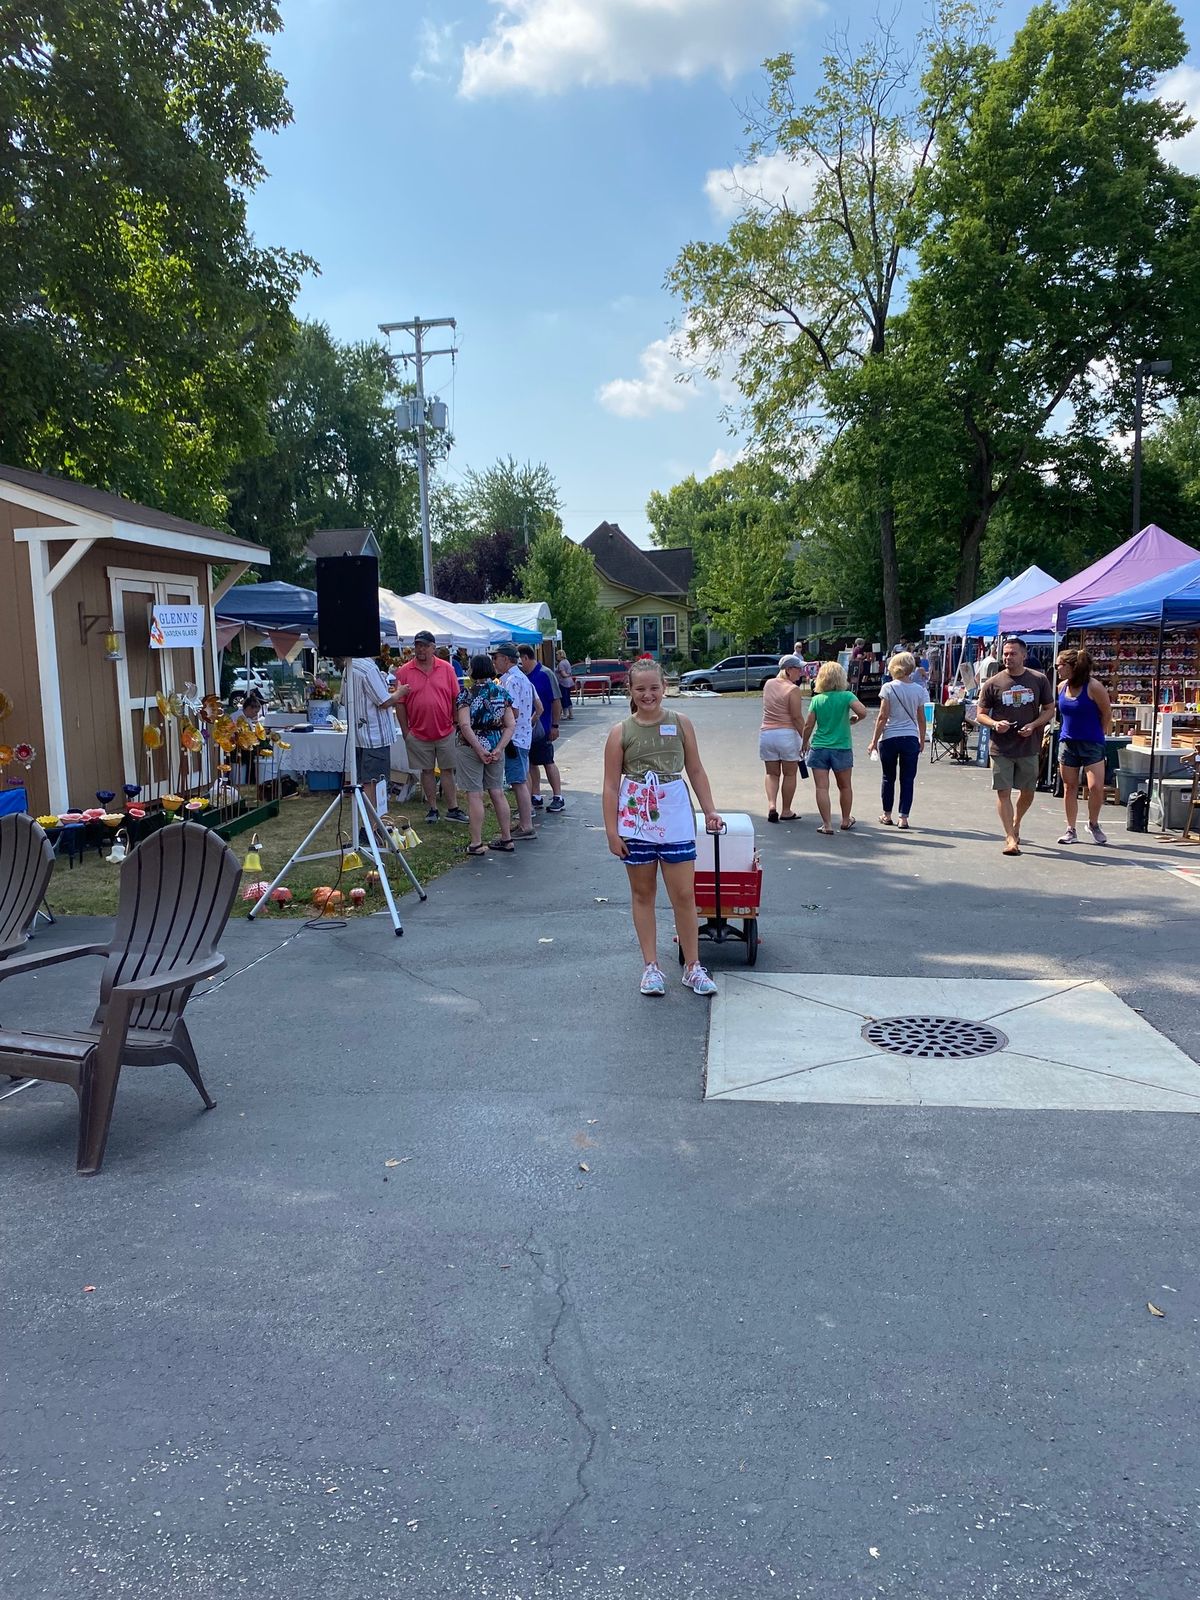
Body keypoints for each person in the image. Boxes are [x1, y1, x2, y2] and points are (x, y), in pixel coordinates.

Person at [602, 659, 722, 998]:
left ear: (664, 687)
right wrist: (612, 831)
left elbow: (695, 770)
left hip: (675, 816)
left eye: (654, 687)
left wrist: (710, 809)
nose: (648, 694)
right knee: (643, 894)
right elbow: (611, 785)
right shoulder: (620, 732)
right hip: (637, 819)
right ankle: (651, 967)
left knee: (684, 894)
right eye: (640, 688)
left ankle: (692, 967)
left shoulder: (681, 723)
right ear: (630, 690)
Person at [975, 636, 1055, 856]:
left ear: (1024, 655)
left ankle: (1016, 822)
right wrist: (994, 723)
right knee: (1003, 791)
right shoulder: (993, 683)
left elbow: (1049, 709)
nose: (1008, 657)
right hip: (1001, 747)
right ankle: (1010, 838)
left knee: (1028, 792)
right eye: (1005, 654)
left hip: (1028, 745)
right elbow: (980, 715)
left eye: (1013, 653)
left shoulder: (1038, 680)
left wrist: (1034, 725)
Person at [395, 629, 467, 825]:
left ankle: (453, 808)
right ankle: (432, 808)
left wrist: (455, 722)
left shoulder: (447, 669)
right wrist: (405, 731)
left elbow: (455, 697)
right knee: (426, 771)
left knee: (447, 769)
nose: (421, 649)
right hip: (418, 732)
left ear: (433, 648)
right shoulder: (404, 671)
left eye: (425, 646)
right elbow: (399, 704)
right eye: (418, 645)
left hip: (445, 729)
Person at [454, 655, 516, 855]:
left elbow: (464, 724)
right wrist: (499, 748)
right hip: (496, 743)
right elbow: (510, 724)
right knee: (497, 791)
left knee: (474, 793)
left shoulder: (466, 695)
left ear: (472, 670)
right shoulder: (501, 693)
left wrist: (479, 749)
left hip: (470, 746)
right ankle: (507, 838)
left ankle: (476, 843)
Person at [337, 655, 408, 822]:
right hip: (375, 737)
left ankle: (368, 825)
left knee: (365, 782)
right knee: (375, 784)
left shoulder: (350, 665)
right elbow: (384, 701)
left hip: (359, 736)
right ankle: (374, 827)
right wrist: (400, 692)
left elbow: (342, 700)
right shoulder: (368, 669)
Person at [1055, 646, 1113, 845]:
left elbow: (1106, 712)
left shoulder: (1093, 686)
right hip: (1068, 742)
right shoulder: (1061, 687)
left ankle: (1093, 823)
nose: (1057, 669)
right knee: (1069, 787)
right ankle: (1070, 829)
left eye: (1059, 665)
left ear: (1072, 666)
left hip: (1092, 743)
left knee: (1095, 787)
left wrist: (1100, 733)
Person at [802, 662, 868, 833]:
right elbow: (863, 712)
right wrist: (854, 719)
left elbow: (808, 725)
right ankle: (846, 820)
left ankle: (827, 824)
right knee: (845, 786)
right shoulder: (847, 696)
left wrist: (804, 743)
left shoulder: (817, 699)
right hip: (842, 746)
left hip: (820, 747)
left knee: (821, 787)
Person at [866, 652, 928, 828]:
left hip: (890, 736)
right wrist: (921, 739)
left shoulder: (888, 688)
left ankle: (886, 814)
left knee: (888, 777)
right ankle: (904, 817)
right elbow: (921, 718)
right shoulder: (919, 690)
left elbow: (882, 716)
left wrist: (874, 740)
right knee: (908, 779)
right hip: (910, 737)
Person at [492, 641, 542, 842]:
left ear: (505, 659)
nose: (494, 663)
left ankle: (526, 825)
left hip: (512, 738)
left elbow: (513, 710)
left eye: (496, 658)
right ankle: (525, 821)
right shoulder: (523, 678)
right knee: (520, 778)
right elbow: (537, 706)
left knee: (518, 781)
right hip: (522, 735)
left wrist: (497, 721)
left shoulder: (511, 680)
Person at [759, 655, 808, 823]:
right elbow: (796, 717)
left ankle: (772, 805)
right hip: (787, 734)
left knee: (771, 773)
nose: (800, 672)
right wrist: (805, 738)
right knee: (789, 774)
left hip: (767, 734)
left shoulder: (769, 684)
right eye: (798, 669)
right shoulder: (792, 689)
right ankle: (786, 810)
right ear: (788, 670)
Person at [519, 645, 565, 812]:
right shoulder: (524, 676)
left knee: (547, 761)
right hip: (528, 728)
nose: (518, 664)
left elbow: (556, 700)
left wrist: (554, 725)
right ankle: (536, 794)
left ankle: (558, 796)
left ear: (525, 658)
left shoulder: (545, 674)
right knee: (531, 762)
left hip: (543, 727)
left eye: (520, 660)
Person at [556, 649, 575, 720]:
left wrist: (566, 675)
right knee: (568, 698)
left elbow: (563, 674)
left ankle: (564, 714)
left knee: (564, 698)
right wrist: (569, 675)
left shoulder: (561, 663)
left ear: (561, 655)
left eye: (557, 655)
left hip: (563, 683)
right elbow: (569, 672)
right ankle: (571, 714)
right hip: (569, 682)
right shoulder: (567, 662)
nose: (556, 656)